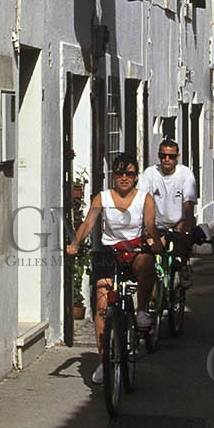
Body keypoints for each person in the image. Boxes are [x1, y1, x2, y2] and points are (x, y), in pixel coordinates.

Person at [67, 153, 159, 384]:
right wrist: (76, 243)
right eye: (119, 173)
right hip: (109, 254)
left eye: (129, 173)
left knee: (147, 263)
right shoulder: (103, 197)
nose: (124, 178)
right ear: (113, 176)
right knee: (101, 305)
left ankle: (141, 311)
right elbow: (88, 223)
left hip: (134, 251)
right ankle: (103, 362)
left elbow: (149, 225)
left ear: (136, 177)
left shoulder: (145, 199)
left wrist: (155, 242)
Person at [139, 139, 200, 285]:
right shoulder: (150, 173)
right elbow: (143, 201)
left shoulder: (185, 174)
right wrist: (148, 227)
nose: (167, 159)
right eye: (163, 155)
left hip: (178, 223)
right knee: (150, 257)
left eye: (171, 156)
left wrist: (184, 223)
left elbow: (188, 203)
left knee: (185, 237)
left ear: (177, 157)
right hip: (157, 225)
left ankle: (184, 265)